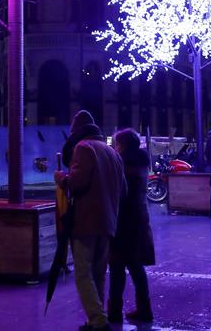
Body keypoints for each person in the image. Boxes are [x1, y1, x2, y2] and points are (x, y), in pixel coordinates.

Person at [54, 111, 126, 331]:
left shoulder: (83, 148)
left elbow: (76, 182)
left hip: (86, 220)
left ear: (76, 130)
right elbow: (124, 188)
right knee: (98, 272)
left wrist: (61, 178)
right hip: (108, 221)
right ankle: (95, 319)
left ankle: (98, 320)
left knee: (83, 272)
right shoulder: (112, 152)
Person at [107, 129, 155, 324]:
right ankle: (145, 309)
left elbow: (117, 192)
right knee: (136, 266)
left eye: (117, 143)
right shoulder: (143, 162)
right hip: (139, 218)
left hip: (122, 220)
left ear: (123, 144)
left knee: (117, 267)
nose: (115, 147)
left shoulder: (120, 163)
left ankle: (114, 312)